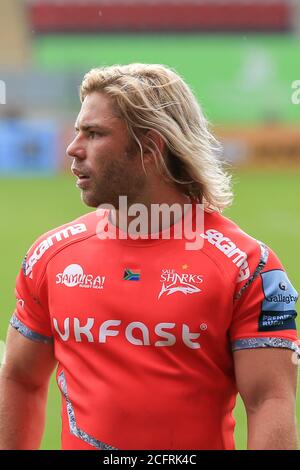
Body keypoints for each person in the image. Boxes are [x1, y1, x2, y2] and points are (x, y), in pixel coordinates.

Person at [0, 63, 298, 450]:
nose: (73, 148)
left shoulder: (249, 268)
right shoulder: (50, 255)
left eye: (93, 133)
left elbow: (268, 401)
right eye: (77, 132)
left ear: (150, 147)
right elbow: (20, 378)